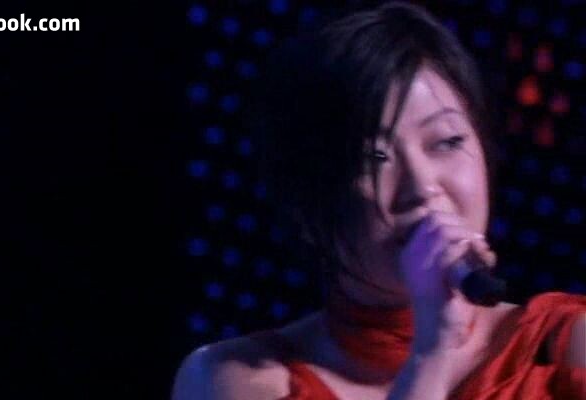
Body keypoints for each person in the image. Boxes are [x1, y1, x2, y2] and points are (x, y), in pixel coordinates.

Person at [172, 2, 586, 399]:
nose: (422, 187)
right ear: (304, 205)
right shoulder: (234, 379)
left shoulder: (564, 346)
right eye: (373, 158)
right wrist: (430, 355)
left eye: (446, 141)